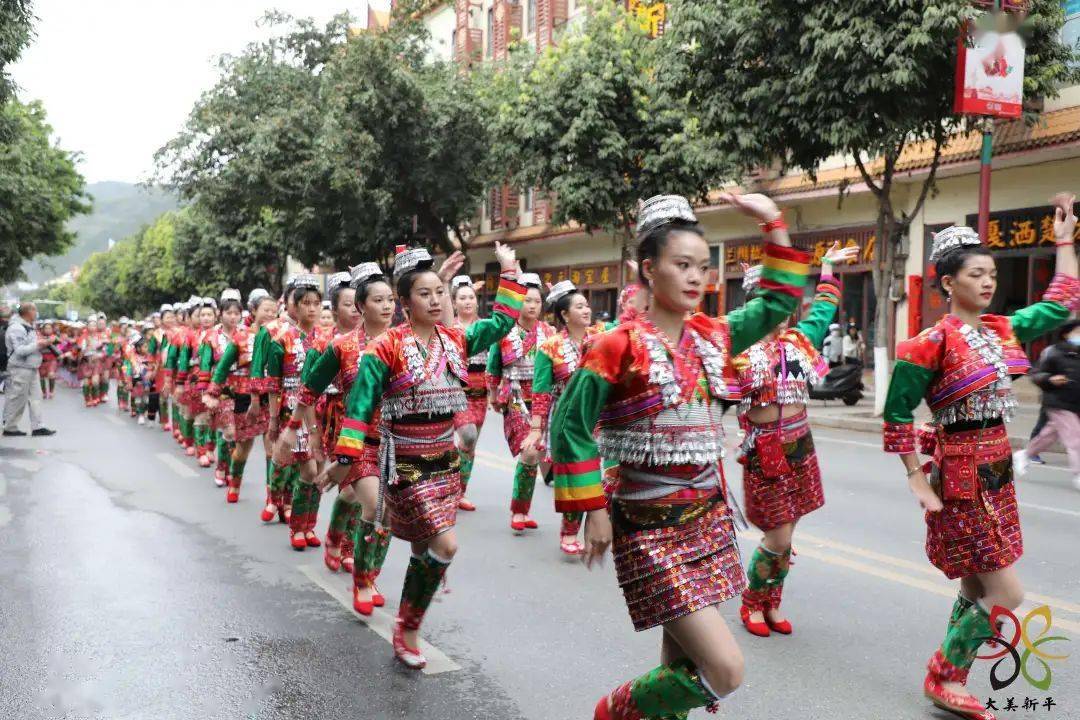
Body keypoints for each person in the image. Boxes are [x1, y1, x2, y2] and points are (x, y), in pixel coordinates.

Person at [551, 192, 809, 720]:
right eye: (681, 265)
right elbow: (570, 426)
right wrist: (593, 509)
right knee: (724, 669)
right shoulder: (616, 345)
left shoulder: (714, 336)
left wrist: (772, 223)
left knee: (680, 658)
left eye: (701, 266)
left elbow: (781, 301)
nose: (695, 277)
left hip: (708, 520)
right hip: (647, 524)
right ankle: (613, 713)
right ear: (649, 269)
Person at [882, 194, 1079, 720]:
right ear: (949, 283)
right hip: (960, 474)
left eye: (992, 274)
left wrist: (1064, 240)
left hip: (997, 469)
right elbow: (896, 413)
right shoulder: (928, 344)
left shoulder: (1001, 330)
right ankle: (943, 673)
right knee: (1007, 592)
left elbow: (1063, 301)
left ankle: (954, 676)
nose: (988, 282)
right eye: (976, 274)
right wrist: (915, 477)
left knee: (977, 582)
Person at [317, 241, 522, 670]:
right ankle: (407, 625)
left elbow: (503, 321)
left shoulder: (456, 339)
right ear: (405, 303)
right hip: (404, 461)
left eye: (439, 293)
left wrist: (509, 270)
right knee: (445, 544)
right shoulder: (385, 347)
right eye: (424, 294)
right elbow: (359, 407)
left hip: (445, 461)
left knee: (421, 552)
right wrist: (343, 458)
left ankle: (407, 619)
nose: (435, 300)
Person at [733, 241, 856, 639]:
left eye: (787, 304)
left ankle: (773, 601)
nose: (784, 314)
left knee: (789, 533)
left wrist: (827, 271)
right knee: (777, 535)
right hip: (763, 450)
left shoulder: (800, 341)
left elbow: (823, 307)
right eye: (773, 303)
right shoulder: (735, 351)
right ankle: (752, 600)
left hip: (800, 447)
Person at [294, 262, 395, 613]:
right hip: (353, 435)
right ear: (359, 306)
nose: (386, 306)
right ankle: (362, 578)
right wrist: (303, 431)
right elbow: (308, 390)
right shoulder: (340, 346)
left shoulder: (408, 341)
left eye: (391, 299)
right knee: (374, 504)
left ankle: (357, 557)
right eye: (376, 300)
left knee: (385, 512)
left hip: (399, 442)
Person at [522, 280, 602, 556]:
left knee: (605, 477)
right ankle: (569, 532)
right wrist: (536, 429)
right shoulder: (550, 348)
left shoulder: (601, 337)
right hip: (567, 421)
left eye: (587, 305)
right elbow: (541, 390)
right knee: (577, 476)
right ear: (565, 315)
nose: (586, 310)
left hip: (600, 418)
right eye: (579, 306)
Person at [487, 273, 556, 533]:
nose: (532, 306)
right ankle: (518, 510)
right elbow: (494, 363)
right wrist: (493, 393)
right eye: (527, 300)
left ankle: (524, 508)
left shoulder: (549, 333)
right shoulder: (506, 330)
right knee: (529, 451)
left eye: (537, 301)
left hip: (543, 399)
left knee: (537, 451)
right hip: (515, 396)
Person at [1015, 319, 1080, 491]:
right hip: (1058, 402)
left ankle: (1025, 454)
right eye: (1078, 332)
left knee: (1049, 435)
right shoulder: (1054, 352)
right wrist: (1050, 379)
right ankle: (1078, 474)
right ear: (1067, 334)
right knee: (1075, 437)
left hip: (1076, 404)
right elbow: (1036, 374)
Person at [450, 275, 488, 512]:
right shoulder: (447, 328)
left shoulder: (485, 327)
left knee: (470, 446)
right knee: (467, 436)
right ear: (453, 303)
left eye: (471, 297)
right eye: (462, 298)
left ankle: (459, 492)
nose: (467, 302)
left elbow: (496, 361)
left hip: (480, 392)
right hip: (454, 392)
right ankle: (448, 486)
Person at [3, 302, 56, 437]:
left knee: (36, 398)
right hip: (19, 368)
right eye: (35, 310)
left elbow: (31, 345)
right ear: (28, 312)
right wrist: (40, 344)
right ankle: (10, 426)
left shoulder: (29, 327)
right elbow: (20, 350)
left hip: (32, 367)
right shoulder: (17, 328)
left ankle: (38, 426)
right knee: (17, 398)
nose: (36, 313)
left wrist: (44, 343)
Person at [38, 321, 60, 399]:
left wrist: (50, 340)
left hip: (52, 359)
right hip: (41, 359)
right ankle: (44, 392)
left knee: (51, 374)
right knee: (41, 377)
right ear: (42, 329)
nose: (48, 330)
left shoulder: (54, 336)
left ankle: (51, 392)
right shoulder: (38, 337)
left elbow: (59, 341)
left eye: (49, 328)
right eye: (46, 328)